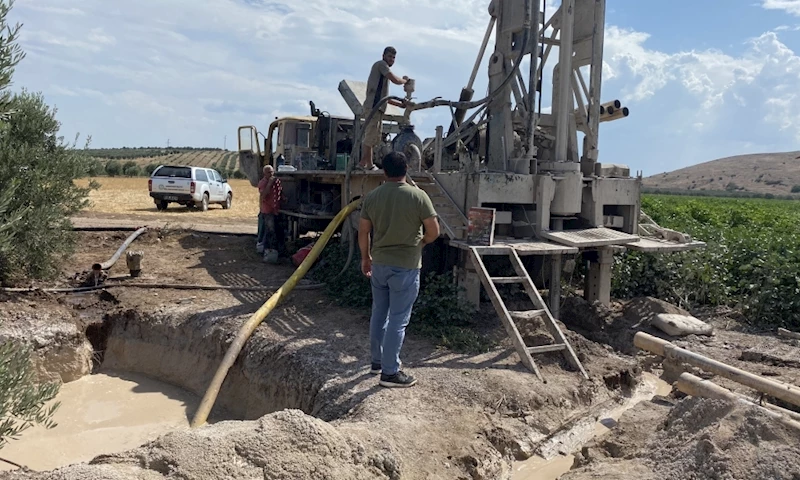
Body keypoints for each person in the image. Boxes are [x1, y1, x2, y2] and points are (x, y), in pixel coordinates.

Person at [358, 151, 440, 388]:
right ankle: (390, 372)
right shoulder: (418, 196)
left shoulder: (373, 196)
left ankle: (376, 362)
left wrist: (366, 258)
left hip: (379, 264)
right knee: (398, 320)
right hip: (406, 266)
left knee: (379, 314)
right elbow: (433, 232)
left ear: (384, 171)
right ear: (407, 169)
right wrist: (421, 242)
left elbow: (363, 231)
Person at [360, 46, 409, 171]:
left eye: (393, 58)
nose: (391, 60)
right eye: (389, 56)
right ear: (383, 56)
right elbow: (395, 79)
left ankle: (368, 164)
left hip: (378, 108)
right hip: (373, 107)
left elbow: (385, 98)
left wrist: (400, 104)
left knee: (374, 137)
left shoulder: (383, 77)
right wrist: (405, 81)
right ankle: (363, 164)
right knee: (370, 135)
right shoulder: (381, 65)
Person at [257, 165, 282, 261]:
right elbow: (263, 195)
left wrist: (283, 198)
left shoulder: (276, 181)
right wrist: (269, 184)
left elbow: (279, 191)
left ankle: (275, 250)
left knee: (276, 230)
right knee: (269, 231)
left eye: (272, 172)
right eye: (269, 172)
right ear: (264, 173)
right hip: (267, 210)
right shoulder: (263, 183)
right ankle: (267, 251)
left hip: (275, 209)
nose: (271, 174)